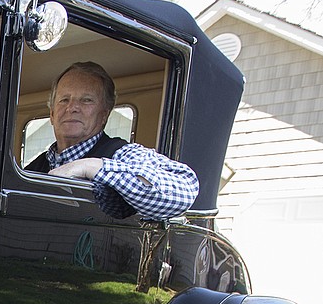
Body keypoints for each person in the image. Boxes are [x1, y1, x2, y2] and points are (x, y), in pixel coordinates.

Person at [25, 61, 199, 220]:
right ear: (52, 114)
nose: (72, 108)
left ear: (104, 115)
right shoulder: (32, 168)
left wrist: (91, 166)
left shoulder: (120, 155)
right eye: (64, 100)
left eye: (86, 100)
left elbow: (185, 189)